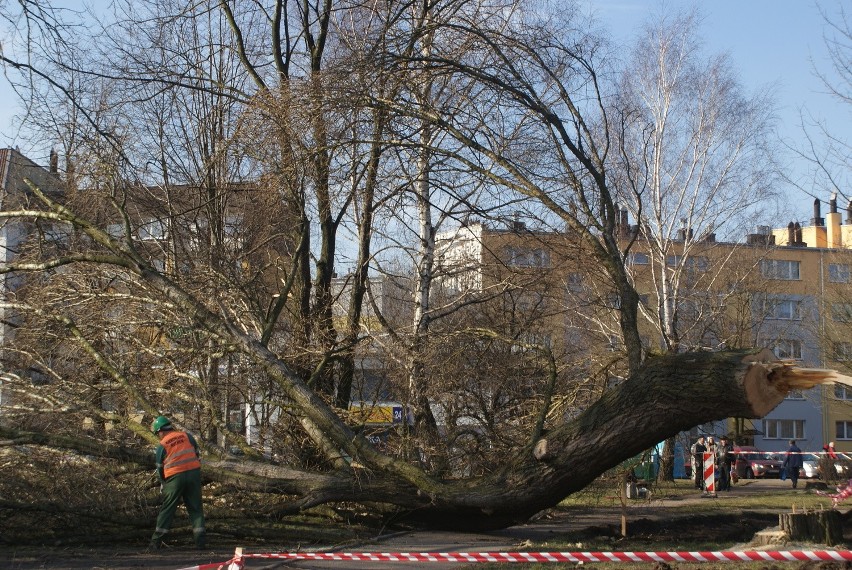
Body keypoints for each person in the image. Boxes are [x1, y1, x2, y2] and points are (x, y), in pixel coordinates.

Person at [149, 415, 206, 550]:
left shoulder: (162, 445)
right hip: (193, 474)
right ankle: (201, 543)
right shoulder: (187, 436)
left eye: (158, 434)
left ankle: (155, 542)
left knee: (167, 510)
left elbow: (159, 467)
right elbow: (196, 454)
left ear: (160, 431)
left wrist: (164, 482)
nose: (159, 436)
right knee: (196, 509)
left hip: (174, 478)